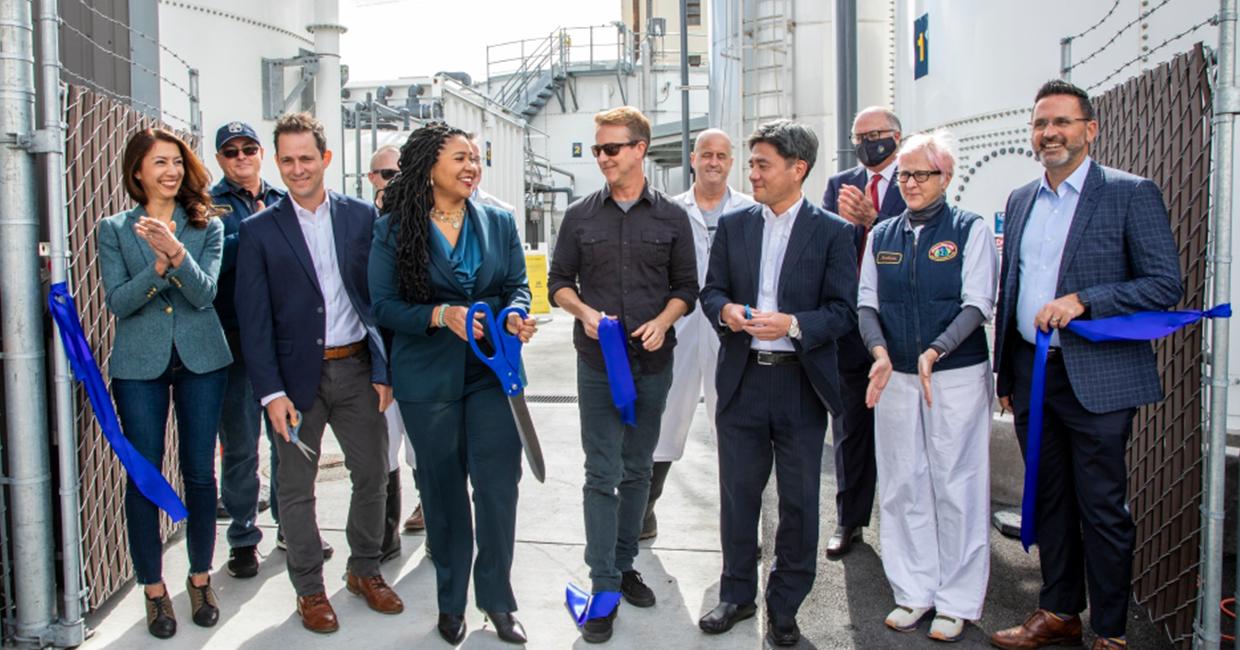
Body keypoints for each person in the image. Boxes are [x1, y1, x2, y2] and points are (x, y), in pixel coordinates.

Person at [989, 80, 1182, 650]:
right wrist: (1007, 375)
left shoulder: (1129, 193)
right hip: (1032, 375)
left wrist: (1085, 300)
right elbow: (1014, 288)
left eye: (1062, 123)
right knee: (1048, 500)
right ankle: (1058, 611)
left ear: (1089, 130)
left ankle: (1113, 631)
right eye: (1040, 123)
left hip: (1096, 379)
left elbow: (1163, 283)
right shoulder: (1021, 198)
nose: (1049, 133)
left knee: (1101, 507)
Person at [369, 122, 537, 646]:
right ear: (429, 167)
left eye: (476, 159)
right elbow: (383, 305)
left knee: (497, 490)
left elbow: (517, 288)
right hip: (427, 381)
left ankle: (498, 600)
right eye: (461, 158)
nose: (472, 167)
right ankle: (451, 602)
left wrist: (514, 315)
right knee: (442, 496)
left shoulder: (498, 221)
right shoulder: (394, 229)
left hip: (492, 375)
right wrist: (442, 314)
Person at [235, 112, 402, 634]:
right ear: (277, 162)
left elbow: (379, 297)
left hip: (355, 368)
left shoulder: (360, 218)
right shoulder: (258, 231)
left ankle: (364, 570)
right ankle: (309, 588)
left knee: (373, 474)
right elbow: (253, 321)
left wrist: (383, 368)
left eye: (306, 158)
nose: (297, 169)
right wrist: (270, 393)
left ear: (325, 159)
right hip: (293, 381)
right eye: (286, 160)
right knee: (295, 488)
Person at [698, 120, 856, 647]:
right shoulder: (736, 225)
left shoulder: (833, 232)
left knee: (798, 503)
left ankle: (785, 604)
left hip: (799, 386)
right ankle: (737, 593)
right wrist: (729, 313)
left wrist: (792, 324)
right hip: (742, 382)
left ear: (798, 169)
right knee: (738, 497)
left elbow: (843, 312)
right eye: (753, 163)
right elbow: (711, 291)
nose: (753, 173)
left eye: (763, 164)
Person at [548, 106, 698, 644]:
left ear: (640, 148)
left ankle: (625, 561)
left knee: (638, 470)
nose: (603, 158)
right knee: (600, 473)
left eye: (612, 148)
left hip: (654, 364)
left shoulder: (672, 217)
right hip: (596, 366)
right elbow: (558, 282)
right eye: (597, 150)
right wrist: (585, 313)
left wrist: (663, 320)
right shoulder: (580, 215)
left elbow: (687, 286)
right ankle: (604, 583)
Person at [859, 131, 997, 642]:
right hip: (894, 375)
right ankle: (913, 590)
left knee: (956, 483)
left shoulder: (969, 229)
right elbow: (866, 303)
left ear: (946, 177)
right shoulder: (883, 235)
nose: (911, 183)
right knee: (902, 483)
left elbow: (978, 303)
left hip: (954, 376)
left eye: (922, 174)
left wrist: (936, 349)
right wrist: (879, 352)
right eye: (905, 175)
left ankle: (957, 599)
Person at [97, 128, 231, 638]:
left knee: (200, 473)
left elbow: (204, 295)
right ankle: (153, 590)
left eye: (177, 162)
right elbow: (119, 302)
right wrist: (158, 265)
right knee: (144, 475)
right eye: (159, 163)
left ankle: (199, 578)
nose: (171, 171)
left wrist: (177, 252)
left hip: (202, 361)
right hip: (139, 367)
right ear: (138, 172)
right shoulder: (114, 229)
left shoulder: (206, 225)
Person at [644, 128, 754, 540]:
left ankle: (742, 525)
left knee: (733, 422)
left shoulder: (749, 210)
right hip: (682, 321)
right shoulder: (669, 210)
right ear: (693, 159)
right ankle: (645, 510)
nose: (713, 162)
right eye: (706, 154)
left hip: (731, 324)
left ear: (731, 162)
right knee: (666, 415)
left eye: (721, 155)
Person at [208, 121, 301, 579]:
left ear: (261, 153)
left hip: (283, 344)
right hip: (236, 344)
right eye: (231, 151)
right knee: (242, 446)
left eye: (248, 149)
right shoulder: (205, 205)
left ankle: (290, 526)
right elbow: (212, 262)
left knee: (287, 441)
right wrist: (253, 232)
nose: (241, 157)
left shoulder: (286, 199)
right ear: (221, 159)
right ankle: (243, 536)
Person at [819, 106, 907, 557]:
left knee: (903, 431)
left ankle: (904, 526)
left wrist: (876, 223)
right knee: (850, 427)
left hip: (903, 326)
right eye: (859, 135)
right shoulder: (840, 186)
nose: (868, 142)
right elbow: (821, 246)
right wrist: (843, 225)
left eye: (876, 134)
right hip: (850, 328)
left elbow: (923, 241)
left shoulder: (916, 178)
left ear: (897, 135)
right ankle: (849, 520)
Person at [366, 144, 425, 561]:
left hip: (422, 355)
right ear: (373, 178)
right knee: (382, 448)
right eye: (386, 173)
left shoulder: (425, 224)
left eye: (401, 173)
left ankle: (436, 519)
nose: (393, 181)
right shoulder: (360, 223)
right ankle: (385, 538)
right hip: (378, 355)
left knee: (425, 447)